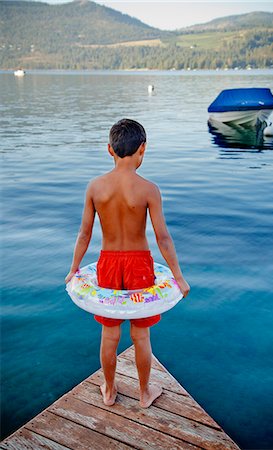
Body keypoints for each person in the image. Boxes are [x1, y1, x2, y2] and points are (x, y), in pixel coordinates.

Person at [65, 118, 190, 408]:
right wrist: (178, 276)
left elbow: (84, 234)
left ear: (109, 149)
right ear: (143, 149)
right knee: (140, 334)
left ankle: (109, 391)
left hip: (107, 263)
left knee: (109, 333)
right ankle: (145, 393)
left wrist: (73, 269)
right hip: (139, 264)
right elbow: (163, 238)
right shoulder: (149, 189)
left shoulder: (95, 187)